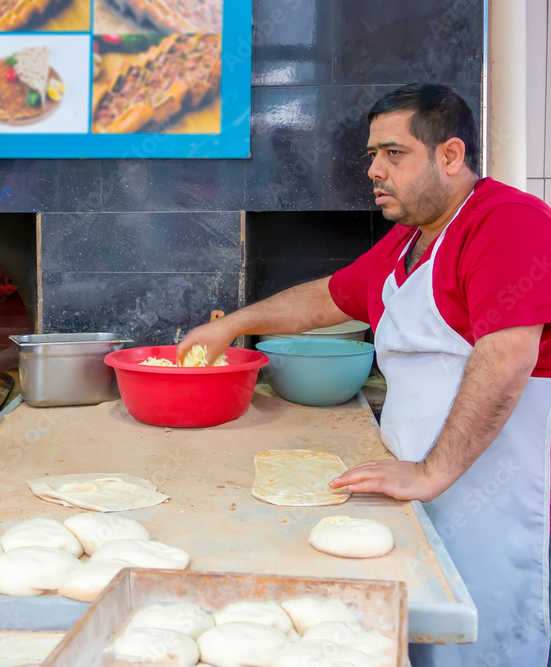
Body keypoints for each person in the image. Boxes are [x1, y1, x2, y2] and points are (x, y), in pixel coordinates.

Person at [179, 83, 551, 666]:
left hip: (493, 488)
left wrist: (432, 471)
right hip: (415, 478)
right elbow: (329, 298)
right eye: (371, 156)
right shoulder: (410, 240)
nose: (374, 170)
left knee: (484, 633)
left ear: (450, 155)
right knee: (420, 632)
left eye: (394, 154)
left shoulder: (508, 221)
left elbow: (507, 357)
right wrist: (233, 326)